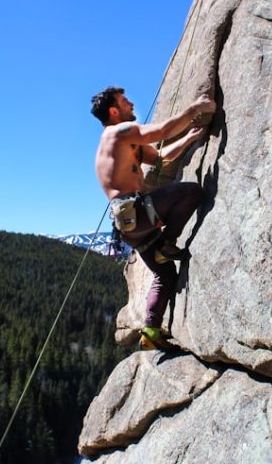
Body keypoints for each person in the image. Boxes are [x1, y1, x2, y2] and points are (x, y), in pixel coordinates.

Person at [92, 86, 216, 350]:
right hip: (137, 212)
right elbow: (160, 133)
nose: (132, 104)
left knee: (165, 274)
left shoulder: (123, 142)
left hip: (131, 226)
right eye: (125, 102)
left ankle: (150, 332)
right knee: (192, 192)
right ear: (114, 111)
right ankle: (167, 244)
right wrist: (195, 108)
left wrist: (190, 137)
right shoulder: (117, 133)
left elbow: (161, 155)